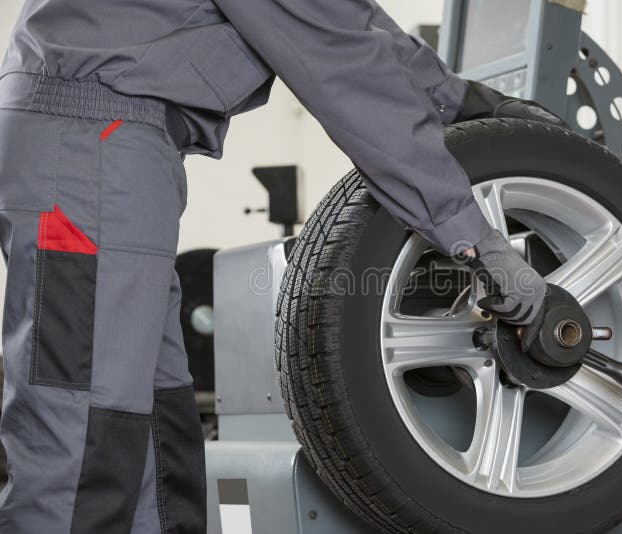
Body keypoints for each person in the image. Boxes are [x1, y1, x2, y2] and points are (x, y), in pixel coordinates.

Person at [0, 1, 555, 532]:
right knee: (89, 443)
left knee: (153, 436)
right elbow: (338, 63)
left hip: (108, 144)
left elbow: (345, 23)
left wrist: (456, 98)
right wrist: (476, 240)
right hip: (89, 145)